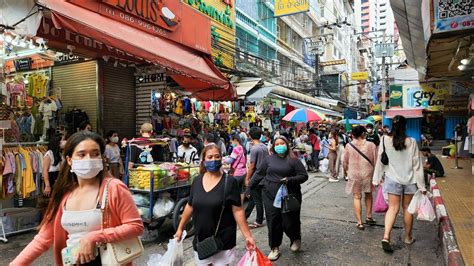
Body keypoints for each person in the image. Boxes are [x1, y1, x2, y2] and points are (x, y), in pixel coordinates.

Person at [11, 131, 144, 265]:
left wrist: (94, 237)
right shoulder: (64, 194)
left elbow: (135, 226)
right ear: (69, 160)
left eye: (95, 154)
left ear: (102, 158)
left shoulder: (114, 188)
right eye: (82, 154)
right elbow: (42, 239)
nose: (89, 159)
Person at [174, 144, 256, 265]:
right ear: (203, 161)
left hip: (223, 241)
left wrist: (248, 236)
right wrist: (180, 229)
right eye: (210, 157)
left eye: (217, 156)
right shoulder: (197, 181)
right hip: (201, 241)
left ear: (221, 159)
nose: (213, 160)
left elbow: (238, 210)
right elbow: (190, 206)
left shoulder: (230, 182)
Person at [373, 115, 426, 253]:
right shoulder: (412, 142)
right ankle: (407, 238)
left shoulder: (384, 139)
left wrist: (376, 179)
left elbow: (380, 160)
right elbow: (417, 166)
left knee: (392, 209)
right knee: (407, 208)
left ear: (392, 125)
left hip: (392, 179)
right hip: (410, 180)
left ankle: (386, 236)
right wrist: (422, 186)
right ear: (405, 126)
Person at [250, 136, 308, 261]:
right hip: (270, 195)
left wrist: (290, 180)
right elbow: (259, 173)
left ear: (287, 145)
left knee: (289, 221)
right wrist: (250, 187)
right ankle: (274, 247)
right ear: (273, 146)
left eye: (282, 143)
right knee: (273, 221)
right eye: (277, 144)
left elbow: (303, 176)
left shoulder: (294, 160)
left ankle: (295, 238)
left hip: (290, 196)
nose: (280, 146)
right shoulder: (268, 159)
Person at [342, 126, 377, 230]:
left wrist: (346, 171)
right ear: (363, 134)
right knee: (369, 194)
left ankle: (359, 222)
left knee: (357, 196)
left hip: (354, 173)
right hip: (367, 173)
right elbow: (376, 160)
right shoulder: (371, 145)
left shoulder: (348, 145)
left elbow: (344, 162)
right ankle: (369, 217)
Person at [244, 126, 268, 229]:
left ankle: (258, 220)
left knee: (257, 200)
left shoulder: (255, 149)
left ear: (250, 136)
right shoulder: (264, 147)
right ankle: (245, 216)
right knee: (255, 198)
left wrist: (247, 178)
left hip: (257, 177)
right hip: (264, 176)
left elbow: (252, 165)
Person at [224, 134, 247, 203]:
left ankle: (234, 206)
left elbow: (230, 161)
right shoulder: (242, 147)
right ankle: (241, 205)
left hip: (237, 172)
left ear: (235, 140)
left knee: (231, 190)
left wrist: (223, 160)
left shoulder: (236, 148)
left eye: (232, 141)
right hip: (243, 172)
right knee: (241, 190)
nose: (231, 142)